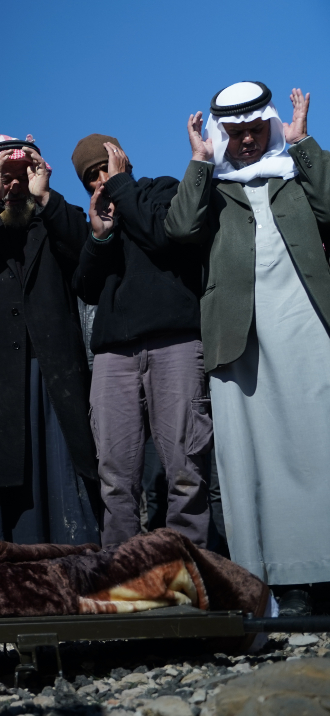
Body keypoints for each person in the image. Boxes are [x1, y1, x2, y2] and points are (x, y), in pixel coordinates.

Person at [165, 83, 330, 616]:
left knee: (318, 442)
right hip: (240, 337)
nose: (247, 142)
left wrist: (303, 143)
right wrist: (198, 161)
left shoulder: (296, 172)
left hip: (306, 325)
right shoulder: (213, 187)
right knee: (255, 458)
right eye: (235, 134)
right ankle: (284, 582)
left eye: (256, 130)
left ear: (272, 125)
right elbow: (180, 226)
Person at [0, 134, 100, 553]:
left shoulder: (52, 218)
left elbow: (85, 251)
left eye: (21, 174)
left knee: (58, 467)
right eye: (5, 175)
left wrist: (43, 193)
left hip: (51, 372)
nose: (14, 184)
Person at [69, 134, 211, 548]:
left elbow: (164, 236)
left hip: (175, 344)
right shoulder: (102, 219)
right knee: (115, 474)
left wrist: (123, 188)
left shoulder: (161, 190)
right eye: (91, 177)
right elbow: (85, 286)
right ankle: (120, 571)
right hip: (114, 354)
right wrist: (98, 238)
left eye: (104, 168)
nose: (100, 180)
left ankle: (191, 566)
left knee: (185, 466)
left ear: (122, 160)